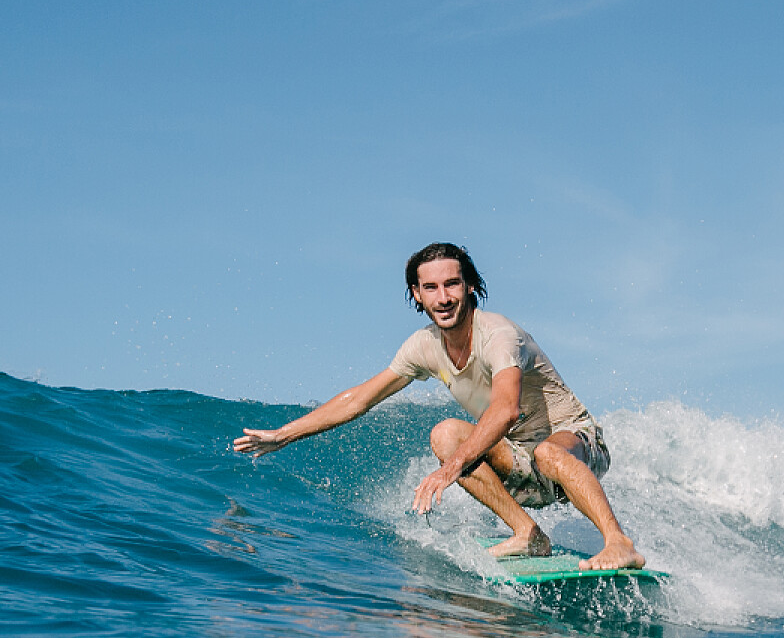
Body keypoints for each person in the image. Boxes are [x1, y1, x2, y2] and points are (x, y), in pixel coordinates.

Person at [233, 243, 645, 572]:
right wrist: (284, 434)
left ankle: (619, 542)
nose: (443, 297)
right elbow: (359, 398)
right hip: (522, 460)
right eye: (430, 288)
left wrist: (450, 470)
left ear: (469, 286)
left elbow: (504, 411)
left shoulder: (500, 335)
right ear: (417, 293)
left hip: (576, 446)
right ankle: (528, 534)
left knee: (546, 451)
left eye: (452, 284)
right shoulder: (424, 347)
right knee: (446, 433)